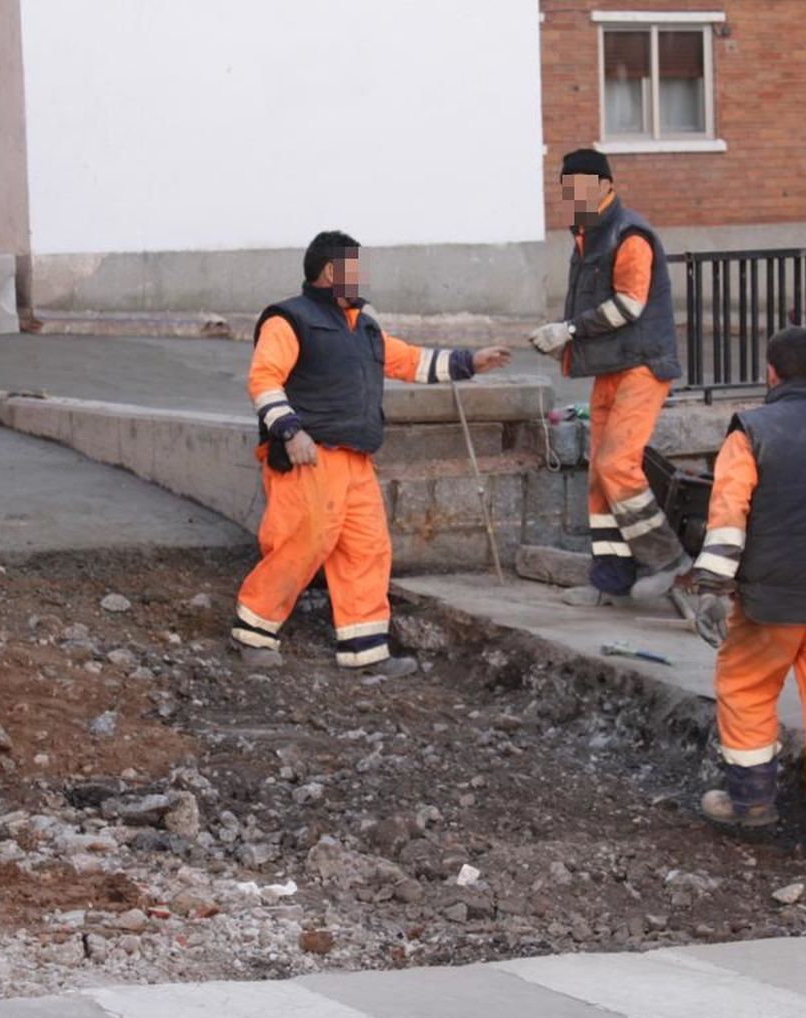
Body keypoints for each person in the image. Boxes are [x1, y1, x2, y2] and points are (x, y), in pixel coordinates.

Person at [231, 231, 510, 676]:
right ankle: (253, 632)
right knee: (302, 542)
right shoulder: (289, 320)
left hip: (356, 459)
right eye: (354, 268)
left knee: (367, 549)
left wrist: (470, 362)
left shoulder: (364, 327)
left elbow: (411, 361)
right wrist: (290, 432)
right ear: (330, 272)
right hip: (310, 457)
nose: (361, 277)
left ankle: (365, 650)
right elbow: (264, 380)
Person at [683, 326, 806, 880]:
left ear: (770, 371)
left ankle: (751, 805)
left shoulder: (751, 431)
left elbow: (728, 516)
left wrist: (711, 589)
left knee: (747, 690)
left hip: (771, 601)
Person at [530, 148, 688, 606]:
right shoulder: (590, 233)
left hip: (642, 365)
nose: (571, 196)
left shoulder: (628, 234)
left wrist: (569, 330)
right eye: (567, 188)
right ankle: (610, 583)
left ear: (604, 185)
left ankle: (669, 560)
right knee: (600, 477)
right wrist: (568, 338)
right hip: (613, 366)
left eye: (579, 186)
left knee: (617, 464)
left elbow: (629, 305)